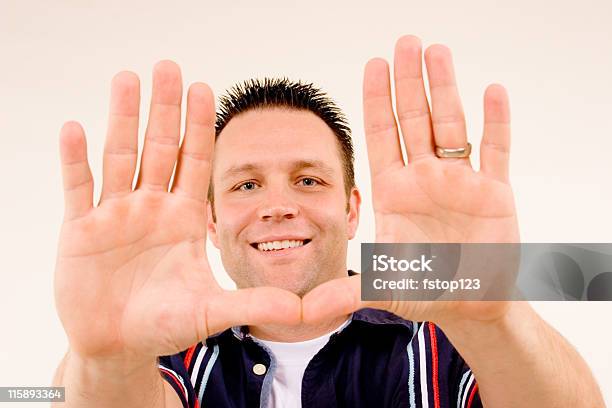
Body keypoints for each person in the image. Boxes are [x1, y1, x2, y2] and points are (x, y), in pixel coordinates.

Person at [52, 35, 605, 407]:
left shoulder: (443, 338)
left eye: (308, 180)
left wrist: (493, 314)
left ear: (352, 209)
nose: (278, 206)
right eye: (246, 185)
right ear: (212, 224)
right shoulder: (167, 352)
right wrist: (107, 359)